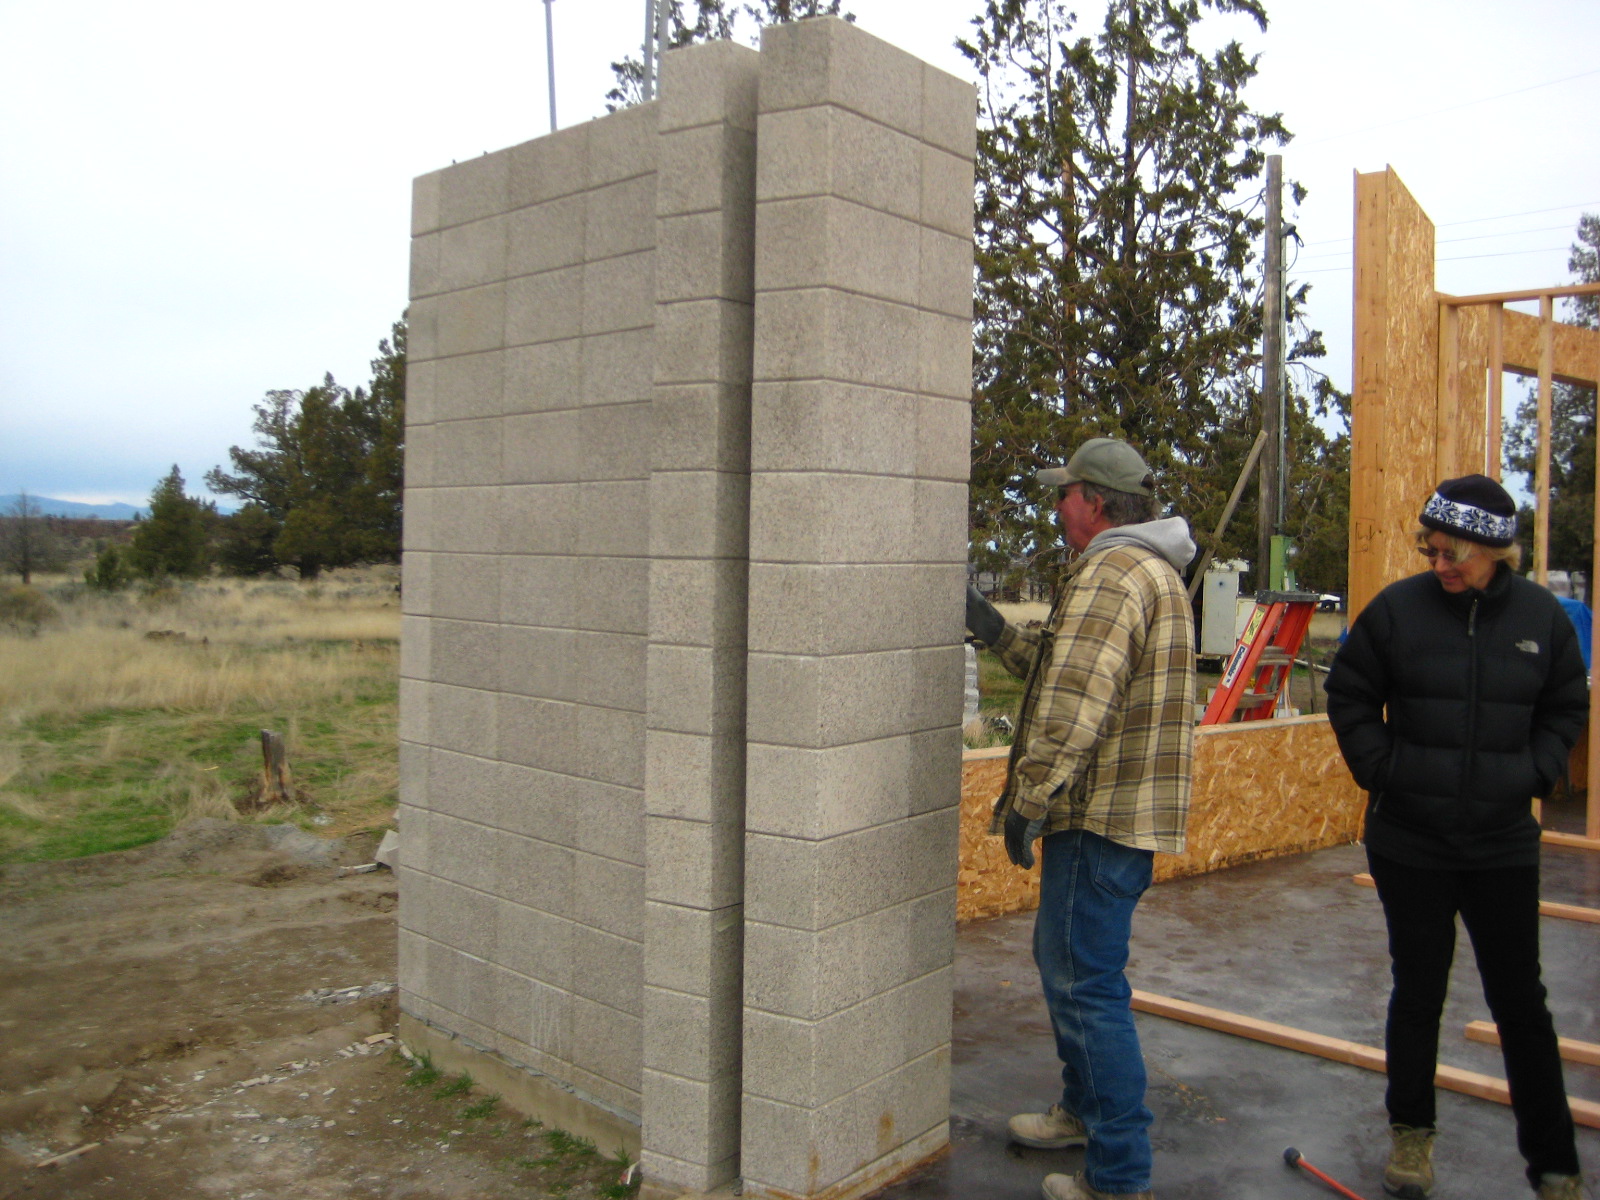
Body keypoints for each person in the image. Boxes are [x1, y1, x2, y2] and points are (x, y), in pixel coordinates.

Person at [1324, 474, 1589, 1200]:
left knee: (1520, 1004)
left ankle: (1556, 1164)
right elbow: (1347, 692)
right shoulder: (1398, 613)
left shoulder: (1543, 618)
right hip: (1410, 841)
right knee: (1418, 991)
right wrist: (1385, 769)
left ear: (1496, 551)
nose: (1439, 564)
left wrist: (1535, 773)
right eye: (1431, 549)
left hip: (1502, 843)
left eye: (1454, 553)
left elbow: (1567, 705)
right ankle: (1411, 1137)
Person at [965, 437, 1196, 1200]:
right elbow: (1062, 667)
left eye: (1064, 493)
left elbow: (1072, 710)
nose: (1056, 505)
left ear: (1096, 501)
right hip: (1122, 821)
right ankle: (1081, 1109)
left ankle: (1118, 1176)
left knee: (1086, 986)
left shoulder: (1111, 570)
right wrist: (990, 625)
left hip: (1097, 819)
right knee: (1073, 973)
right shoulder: (1151, 570)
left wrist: (1027, 803)